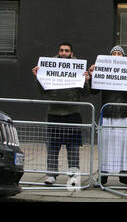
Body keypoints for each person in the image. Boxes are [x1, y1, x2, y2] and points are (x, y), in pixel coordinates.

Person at [32, 42, 90, 186]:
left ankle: (73, 176)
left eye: (67, 50)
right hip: (54, 113)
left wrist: (86, 80)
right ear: (58, 52)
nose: (63, 53)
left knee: (73, 148)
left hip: (72, 114)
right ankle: (51, 175)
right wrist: (38, 77)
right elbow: (42, 91)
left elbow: (86, 93)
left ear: (72, 53)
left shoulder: (78, 67)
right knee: (52, 147)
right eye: (61, 50)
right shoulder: (49, 66)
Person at [89, 45, 127, 187]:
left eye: (120, 53)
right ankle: (103, 176)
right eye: (115, 53)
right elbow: (94, 91)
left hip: (124, 114)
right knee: (105, 146)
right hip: (107, 114)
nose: (117, 55)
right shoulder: (104, 69)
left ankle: (124, 176)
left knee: (126, 147)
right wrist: (92, 76)